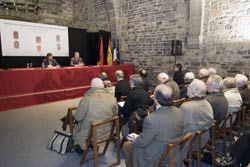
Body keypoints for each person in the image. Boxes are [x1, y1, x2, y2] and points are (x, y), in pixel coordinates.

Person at [123, 84, 184, 167]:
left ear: (156, 98)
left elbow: (142, 142)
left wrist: (135, 140)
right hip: (173, 150)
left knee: (127, 145)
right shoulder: (178, 111)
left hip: (157, 154)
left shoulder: (151, 119)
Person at [73, 78, 118, 152]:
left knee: (79, 123)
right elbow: (115, 114)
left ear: (91, 87)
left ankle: (83, 145)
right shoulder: (112, 98)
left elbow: (78, 117)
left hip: (90, 134)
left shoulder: (86, 99)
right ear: (102, 86)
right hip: (107, 132)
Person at [179, 79, 213, 153]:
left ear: (192, 92)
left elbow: (179, 127)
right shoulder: (207, 103)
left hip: (189, 143)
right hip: (202, 139)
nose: (187, 89)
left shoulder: (186, 107)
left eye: (189, 88)